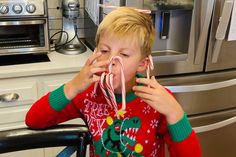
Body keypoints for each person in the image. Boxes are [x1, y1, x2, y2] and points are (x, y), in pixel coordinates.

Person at [25, 7, 201, 157]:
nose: (111, 60)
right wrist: (73, 86)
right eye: (104, 50)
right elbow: (34, 120)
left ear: (142, 64)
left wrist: (175, 113)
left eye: (124, 54)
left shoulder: (157, 102)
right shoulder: (89, 95)